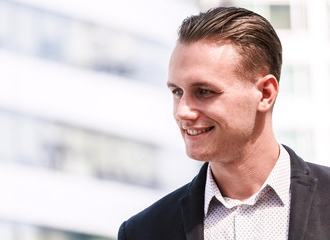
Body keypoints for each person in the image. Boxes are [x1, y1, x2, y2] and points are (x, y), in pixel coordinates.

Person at [118, 7, 330, 240]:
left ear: (265, 93)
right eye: (177, 91)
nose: (182, 111)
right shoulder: (143, 232)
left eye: (205, 91)